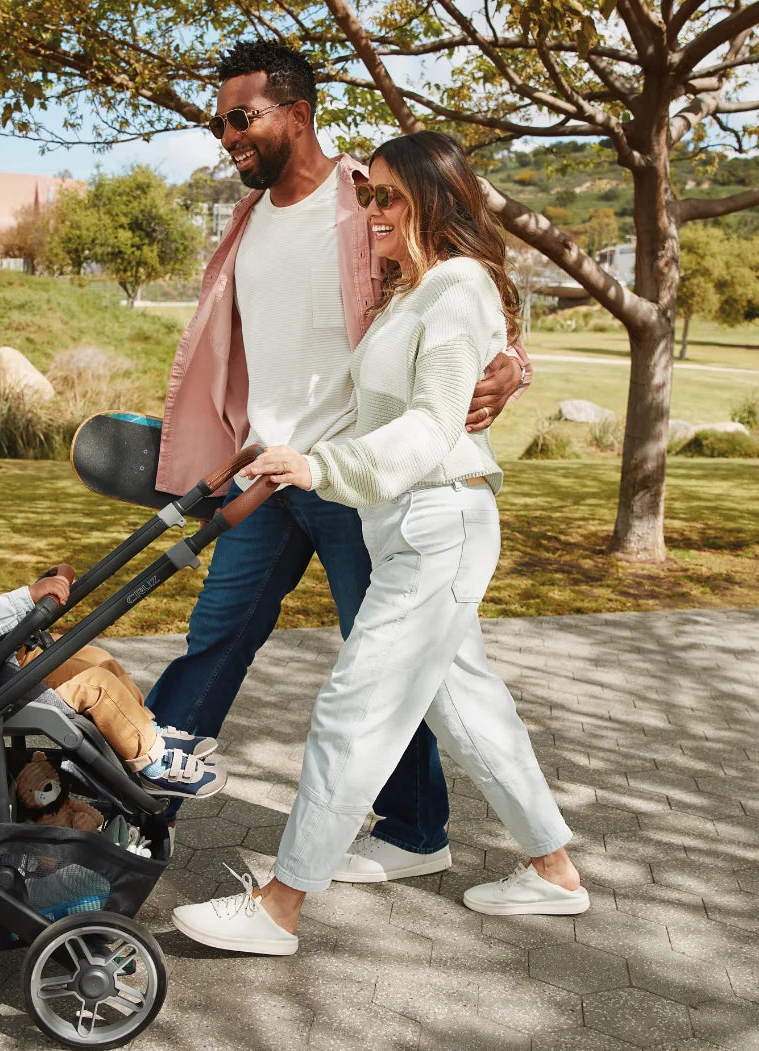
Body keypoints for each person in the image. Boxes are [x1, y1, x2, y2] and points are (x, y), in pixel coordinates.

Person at [171, 132, 587, 956]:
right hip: (406, 522)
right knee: (467, 706)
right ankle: (552, 871)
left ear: (437, 201)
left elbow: (432, 431)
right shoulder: (412, 294)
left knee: (354, 707)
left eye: (388, 197)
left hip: (438, 519)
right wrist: (272, 449)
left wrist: (320, 466)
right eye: (367, 197)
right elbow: (358, 406)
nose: (371, 212)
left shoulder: (459, 288)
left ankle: (279, 906)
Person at [147, 40, 532, 881]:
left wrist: (511, 364)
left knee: (387, 661)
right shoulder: (243, 224)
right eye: (218, 124)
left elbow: (470, 288)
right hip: (267, 472)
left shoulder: (369, 200)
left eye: (240, 118)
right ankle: (129, 809)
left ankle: (412, 831)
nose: (226, 137)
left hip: (359, 477)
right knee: (213, 639)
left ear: (298, 112)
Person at [0, 488, 226, 799]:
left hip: (14, 655)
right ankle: (153, 764)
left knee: (97, 659)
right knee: (97, 685)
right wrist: (28, 596)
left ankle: (148, 731)